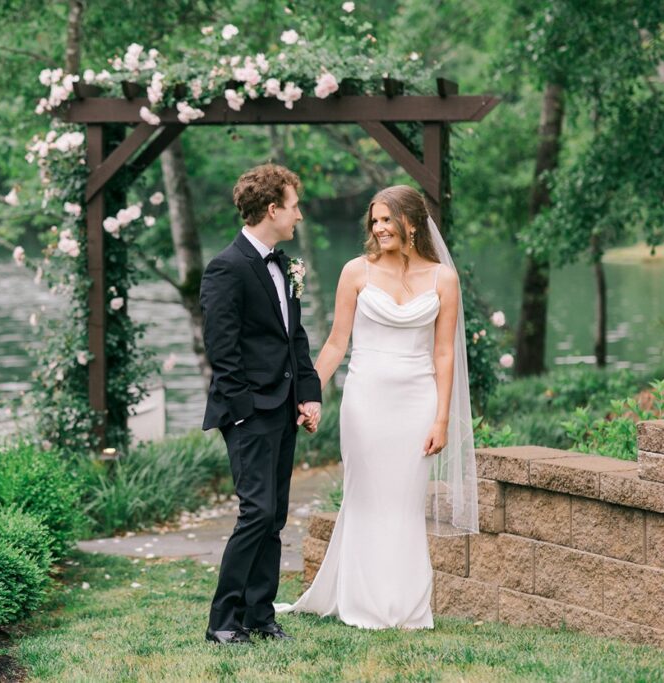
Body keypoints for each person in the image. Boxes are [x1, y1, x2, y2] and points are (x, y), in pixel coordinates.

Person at [276, 184, 478, 629]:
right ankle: (363, 602)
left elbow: (444, 353)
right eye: (375, 220)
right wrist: (309, 393)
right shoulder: (356, 272)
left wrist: (442, 418)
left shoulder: (444, 278)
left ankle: (406, 607)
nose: (379, 227)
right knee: (366, 497)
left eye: (388, 219)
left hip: (418, 401)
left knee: (405, 502)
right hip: (366, 401)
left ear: (412, 222)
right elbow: (335, 342)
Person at [200, 163, 322, 644]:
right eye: (294, 207)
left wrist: (308, 393)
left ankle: (259, 615)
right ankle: (223, 622)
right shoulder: (225, 268)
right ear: (272, 209)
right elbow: (222, 351)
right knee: (255, 513)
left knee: (273, 516)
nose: (299, 216)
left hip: (284, 407)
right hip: (249, 412)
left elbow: (295, 336)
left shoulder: (284, 263)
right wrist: (246, 408)